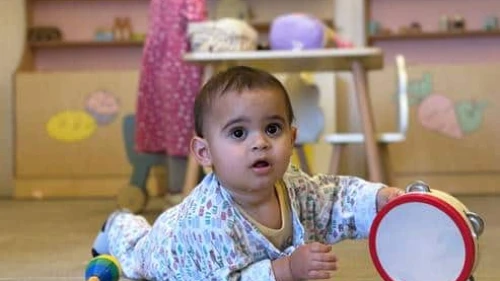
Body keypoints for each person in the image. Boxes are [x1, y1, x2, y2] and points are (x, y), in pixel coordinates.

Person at [92, 66, 403, 280]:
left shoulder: (294, 185)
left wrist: (377, 200)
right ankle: (116, 224)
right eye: (238, 133)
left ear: (292, 138)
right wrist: (286, 270)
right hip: (170, 251)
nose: (260, 142)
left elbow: (333, 201)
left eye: (272, 128)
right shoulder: (209, 222)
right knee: (134, 250)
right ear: (205, 152)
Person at [135, 0, 206, 205]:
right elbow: (197, 26)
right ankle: (185, 192)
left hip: (159, 64)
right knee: (188, 128)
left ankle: (176, 189)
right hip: (183, 64)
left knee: (173, 128)